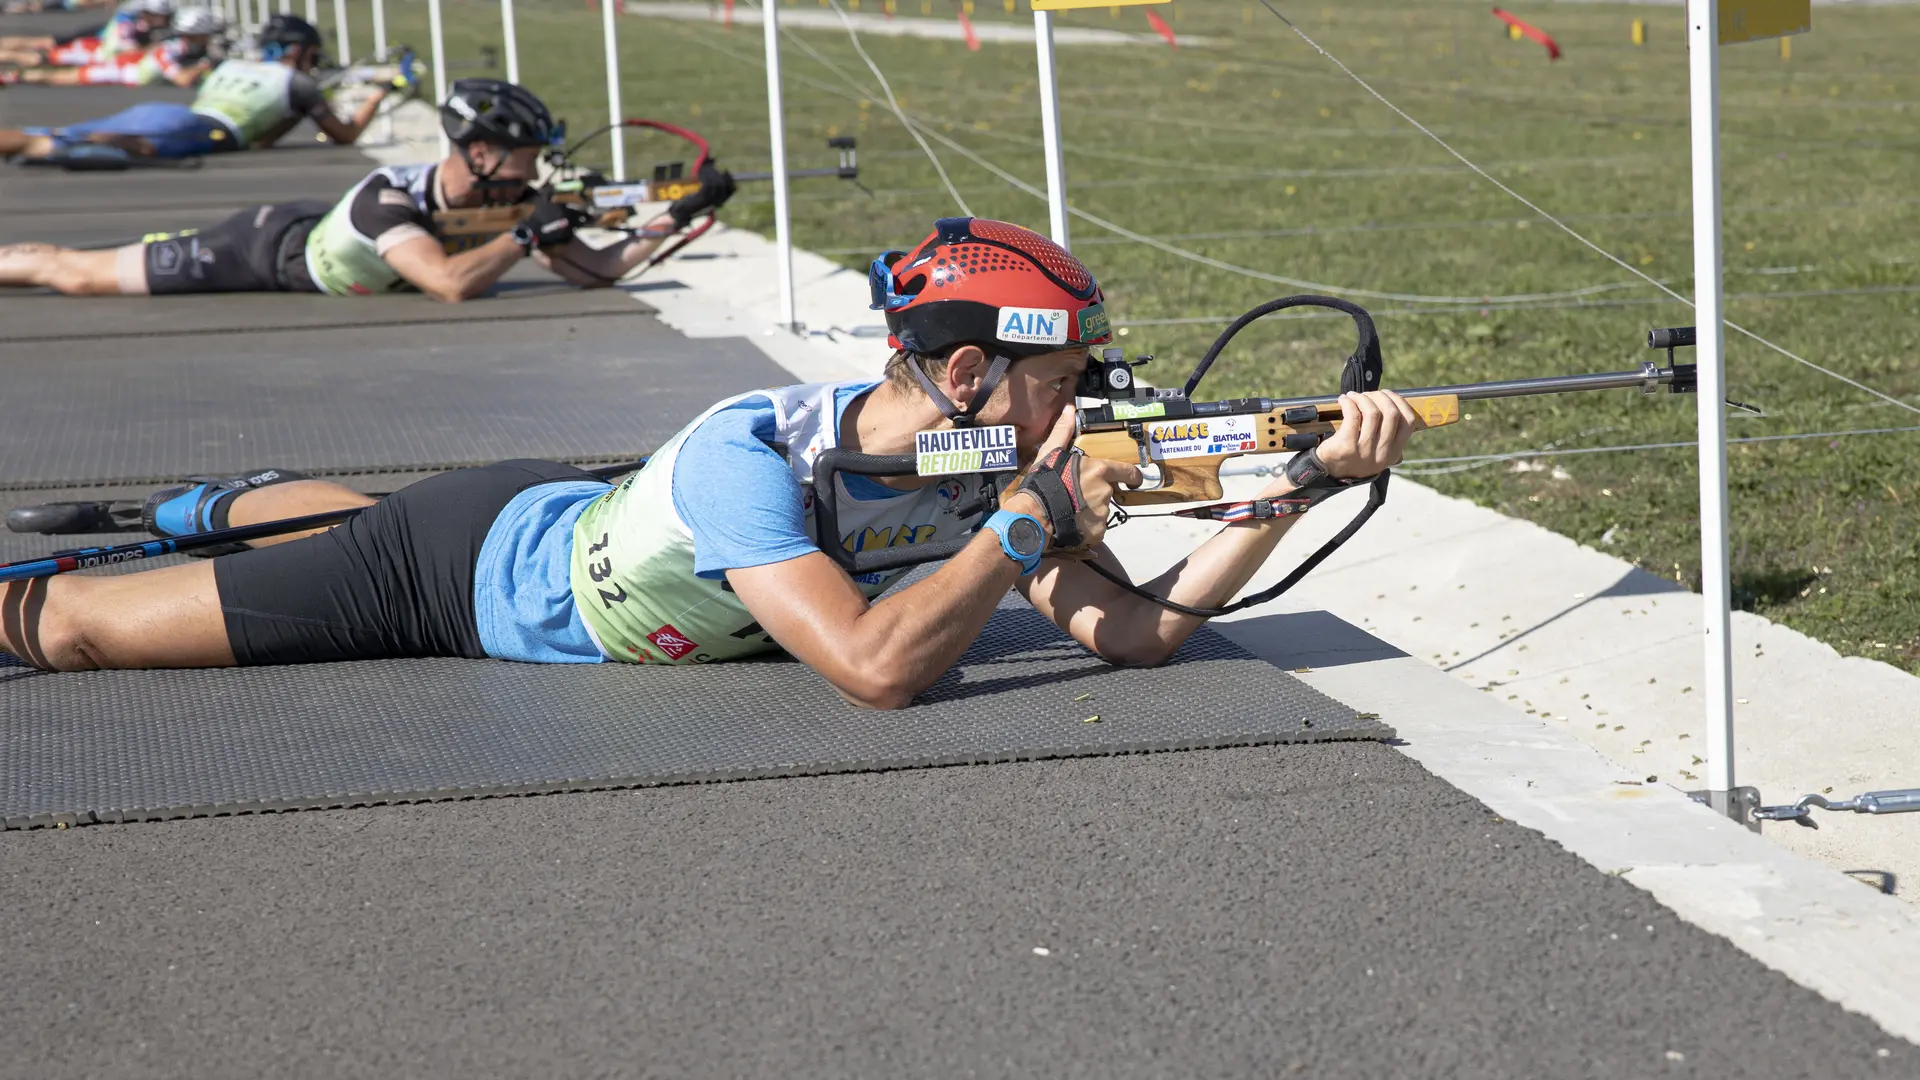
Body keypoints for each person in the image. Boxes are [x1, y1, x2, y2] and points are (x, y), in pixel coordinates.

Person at [0, 217, 1421, 708]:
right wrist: (1033, 519)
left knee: (289, 526)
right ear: (972, 369)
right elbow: (873, 670)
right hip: (458, 576)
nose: (1084, 403)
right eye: (1064, 378)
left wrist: (1281, 502)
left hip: (551, 515)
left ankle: (214, 503)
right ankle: (196, 518)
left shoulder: (994, 464)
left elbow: (1137, 638)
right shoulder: (751, 455)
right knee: (81, 632)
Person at [0, 78, 734, 300]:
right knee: (77, 272)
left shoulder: (503, 201)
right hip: (260, 249)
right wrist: (524, 236)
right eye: (523, 156)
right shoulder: (392, 195)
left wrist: (673, 216)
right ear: (478, 152)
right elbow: (449, 284)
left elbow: (597, 269)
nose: (534, 171)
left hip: (326, 235)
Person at [0, 14, 386, 164]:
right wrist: (378, 97)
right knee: (69, 142)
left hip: (172, 114)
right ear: (299, 50)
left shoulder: (234, 65)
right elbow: (344, 136)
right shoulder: (298, 83)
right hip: (196, 129)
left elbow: (261, 139)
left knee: (67, 135)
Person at [1, 5, 221, 87]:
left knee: (55, 64)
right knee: (63, 74)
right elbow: (182, 79)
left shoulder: (170, 42)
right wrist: (205, 66)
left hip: (118, 59)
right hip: (122, 68)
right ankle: (14, 76)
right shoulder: (167, 50)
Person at [0, 0, 172, 67]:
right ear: (146, 13)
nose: (159, 20)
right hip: (96, 38)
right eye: (156, 16)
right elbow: (122, 50)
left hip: (99, 43)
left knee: (45, 49)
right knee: (46, 47)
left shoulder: (159, 20)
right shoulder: (126, 23)